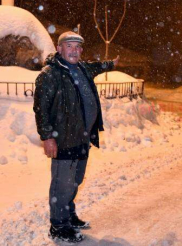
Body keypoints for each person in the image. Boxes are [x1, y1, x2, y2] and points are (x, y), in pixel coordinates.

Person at [33, 31, 119, 243]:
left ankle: (68, 214)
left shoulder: (82, 68)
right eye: (69, 46)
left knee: (76, 180)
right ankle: (59, 225)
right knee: (62, 184)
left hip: (82, 137)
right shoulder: (50, 74)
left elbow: (97, 67)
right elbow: (41, 109)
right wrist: (47, 137)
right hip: (62, 139)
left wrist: (111, 64)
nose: (74, 50)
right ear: (60, 49)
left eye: (77, 47)